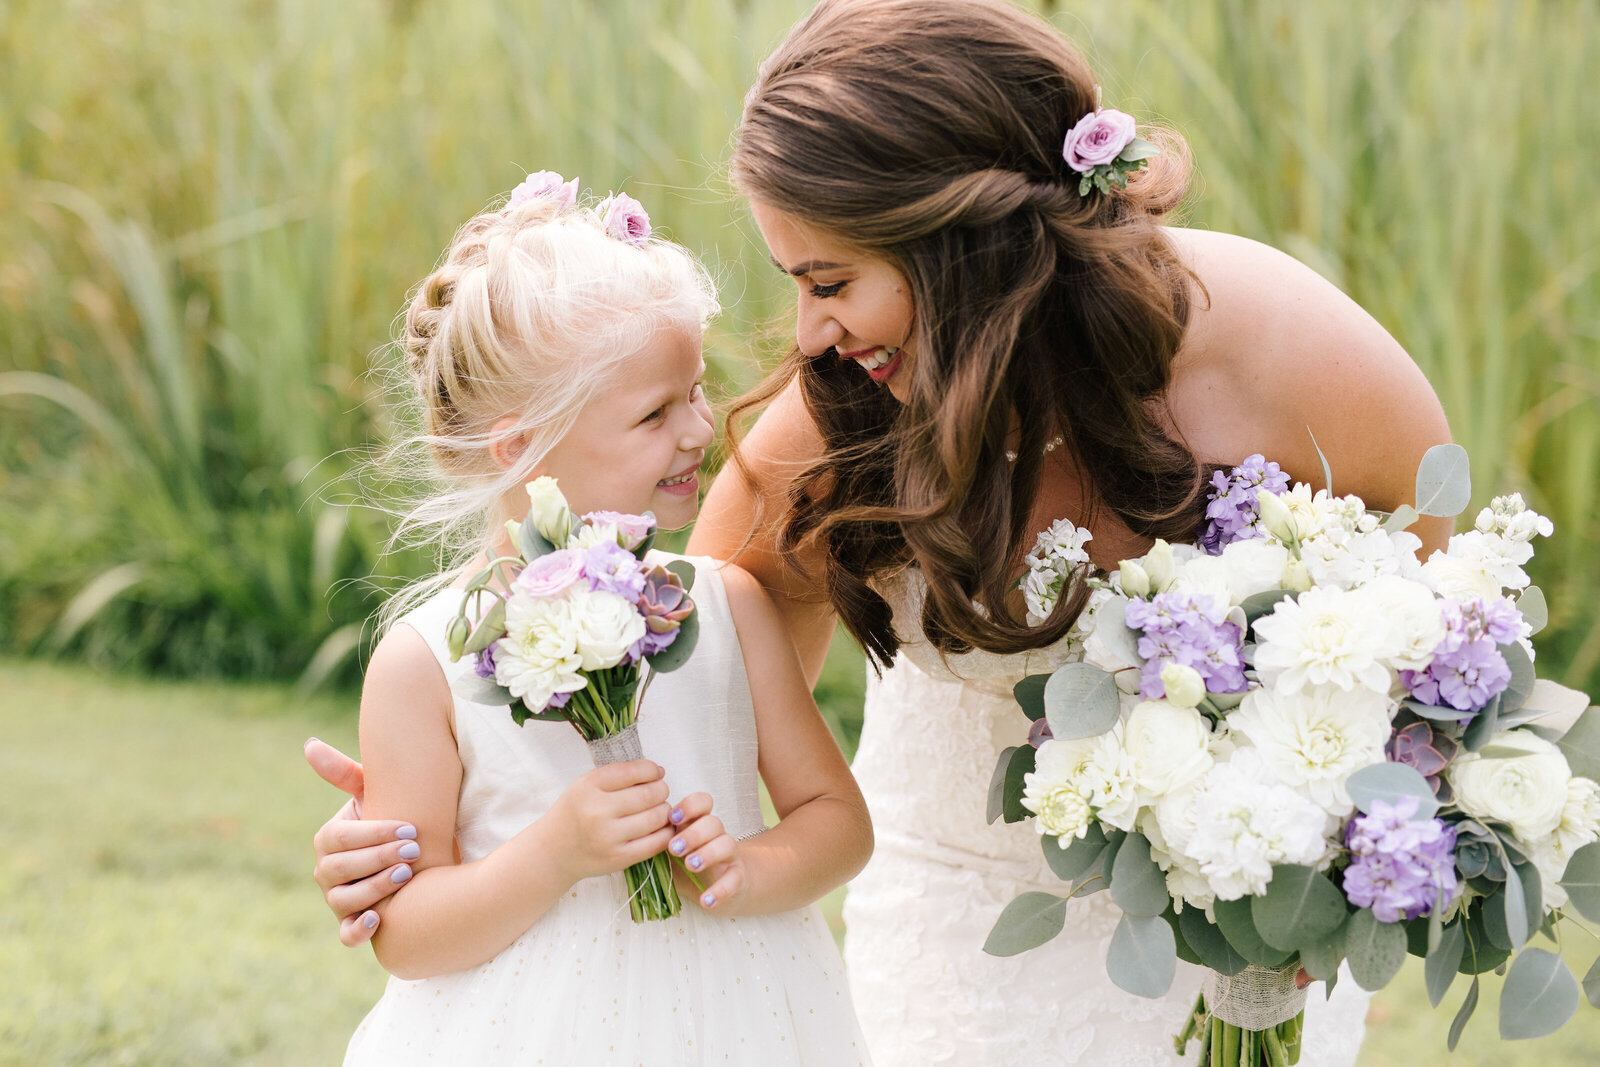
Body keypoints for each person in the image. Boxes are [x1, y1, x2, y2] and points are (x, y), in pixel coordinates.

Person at [312, 1, 1454, 1063]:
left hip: (1253, 943)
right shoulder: (834, 428)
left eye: (831, 279)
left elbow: (1440, 640)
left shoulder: (1298, 359)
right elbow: (681, 702)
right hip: (962, 946)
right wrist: (428, 823)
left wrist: (1358, 854)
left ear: (957, 246)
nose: (806, 333)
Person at [330, 173, 872, 1066]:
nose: (700, 429)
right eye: (655, 412)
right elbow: (407, 929)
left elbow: (837, 820)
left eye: (696, 391)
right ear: (519, 446)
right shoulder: (422, 662)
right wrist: (553, 852)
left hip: (739, 1011)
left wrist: (745, 865)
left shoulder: (726, 606)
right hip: (531, 1026)